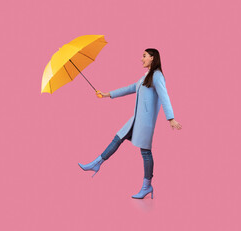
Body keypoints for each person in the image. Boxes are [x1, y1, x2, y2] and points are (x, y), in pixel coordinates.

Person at [78, 48, 182, 199]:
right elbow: (130, 88)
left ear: (153, 58)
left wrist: (170, 118)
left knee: (145, 153)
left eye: (144, 56)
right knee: (117, 138)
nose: (141, 59)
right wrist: (107, 94)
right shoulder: (146, 76)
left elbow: (164, 97)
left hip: (145, 122)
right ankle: (97, 163)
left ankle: (147, 186)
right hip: (136, 119)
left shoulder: (157, 76)